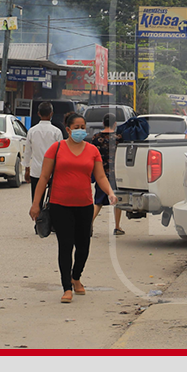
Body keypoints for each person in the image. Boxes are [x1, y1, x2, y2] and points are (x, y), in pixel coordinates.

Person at [29, 112, 116, 303]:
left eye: (83, 127)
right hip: (60, 205)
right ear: (67, 130)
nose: (80, 131)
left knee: (83, 247)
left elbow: (100, 176)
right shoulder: (56, 148)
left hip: (84, 205)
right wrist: (36, 204)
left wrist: (110, 192)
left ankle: (76, 276)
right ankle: (66, 288)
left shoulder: (92, 150)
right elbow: (43, 178)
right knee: (65, 246)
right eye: (76, 128)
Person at [90, 113, 125, 236]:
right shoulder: (119, 138)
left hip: (100, 173)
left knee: (98, 202)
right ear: (115, 124)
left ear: (103, 123)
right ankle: (117, 226)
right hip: (116, 174)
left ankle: (90, 223)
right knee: (118, 200)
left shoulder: (95, 137)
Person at [23, 102, 63, 205]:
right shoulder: (57, 132)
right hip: (53, 173)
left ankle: (38, 220)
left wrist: (27, 169)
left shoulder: (32, 131)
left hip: (36, 172)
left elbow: (27, 152)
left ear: (39, 114)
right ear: (51, 114)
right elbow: (61, 154)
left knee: (36, 202)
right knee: (54, 202)